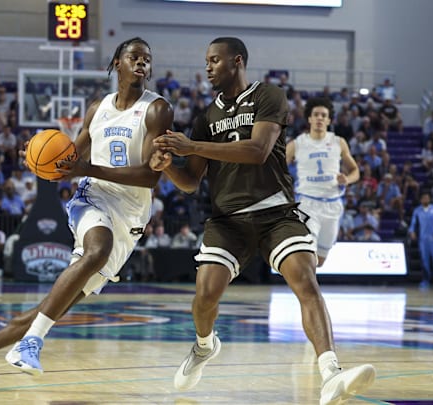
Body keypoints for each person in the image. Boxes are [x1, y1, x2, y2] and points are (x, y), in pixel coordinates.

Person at [150, 37, 374, 405]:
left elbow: (257, 151)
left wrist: (191, 146)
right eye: (206, 61)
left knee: (306, 279)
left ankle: (331, 372)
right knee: (205, 295)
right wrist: (167, 169)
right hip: (227, 220)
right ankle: (205, 346)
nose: (208, 67)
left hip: (275, 212)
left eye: (215, 60)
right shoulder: (207, 117)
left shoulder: (269, 95)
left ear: (236, 61)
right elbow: (191, 182)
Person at [0, 37, 174, 394]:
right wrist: (41, 159)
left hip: (130, 216)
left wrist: (86, 166)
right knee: (97, 249)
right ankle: (31, 344)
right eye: (134, 57)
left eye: (147, 58)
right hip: (93, 199)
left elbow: (149, 176)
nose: (141, 63)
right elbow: (69, 163)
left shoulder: (157, 110)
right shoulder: (97, 108)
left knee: (49, 307)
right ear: (117, 63)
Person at [286, 97, 360, 267]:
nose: (319, 118)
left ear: (328, 120)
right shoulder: (297, 144)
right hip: (307, 203)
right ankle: (306, 291)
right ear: (309, 119)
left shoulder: (338, 142)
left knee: (320, 261)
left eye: (323, 115)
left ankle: (300, 279)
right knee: (307, 254)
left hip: (333, 205)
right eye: (316, 115)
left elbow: (356, 171)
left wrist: (347, 179)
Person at [409, 192, 433, 293]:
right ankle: (425, 279)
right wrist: (412, 231)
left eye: (427, 198)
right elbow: (413, 223)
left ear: (429, 199)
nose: (425, 200)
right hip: (423, 239)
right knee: (424, 260)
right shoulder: (417, 211)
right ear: (421, 200)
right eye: (423, 198)